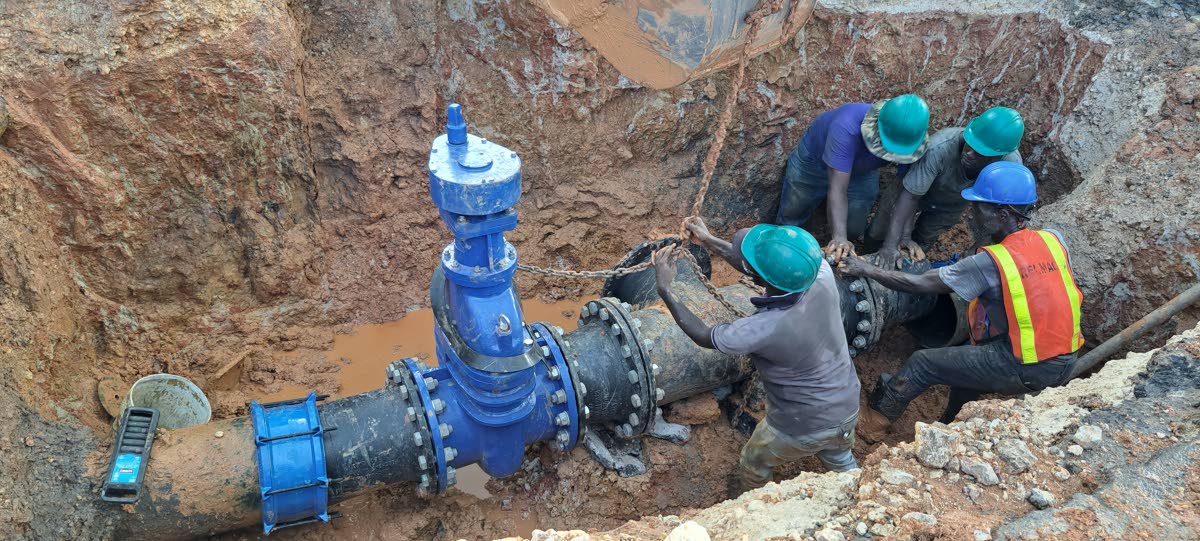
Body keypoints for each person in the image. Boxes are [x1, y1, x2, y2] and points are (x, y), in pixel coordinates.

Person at [840, 162, 1083, 441]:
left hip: (1029, 365)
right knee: (969, 371)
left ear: (1003, 214)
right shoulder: (1053, 240)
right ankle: (952, 425)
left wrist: (867, 269)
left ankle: (874, 424)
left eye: (980, 206)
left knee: (922, 364)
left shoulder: (993, 261)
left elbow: (921, 285)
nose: (972, 212)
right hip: (1066, 356)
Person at [653, 217, 861, 492]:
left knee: (753, 461)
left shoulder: (761, 328)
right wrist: (708, 240)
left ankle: (752, 502)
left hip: (799, 424)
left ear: (759, 277)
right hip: (846, 405)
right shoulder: (819, 273)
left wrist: (665, 289)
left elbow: (704, 336)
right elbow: (760, 268)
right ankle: (858, 486)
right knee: (837, 452)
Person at [776, 95, 931, 264]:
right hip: (813, 164)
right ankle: (779, 255)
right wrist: (839, 238)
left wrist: (905, 236)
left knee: (855, 226)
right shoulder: (846, 125)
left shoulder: (911, 139)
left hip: (862, 172)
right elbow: (837, 189)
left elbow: (908, 191)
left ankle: (838, 255)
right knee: (792, 214)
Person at [866, 107, 1026, 269]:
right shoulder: (940, 147)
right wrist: (890, 246)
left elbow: (1000, 217)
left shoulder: (1009, 168)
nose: (969, 153)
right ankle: (868, 256)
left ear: (998, 156)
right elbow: (911, 196)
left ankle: (902, 273)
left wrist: (974, 255)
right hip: (912, 189)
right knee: (878, 231)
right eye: (969, 144)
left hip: (952, 204)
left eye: (979, 152)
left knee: (923, 240)